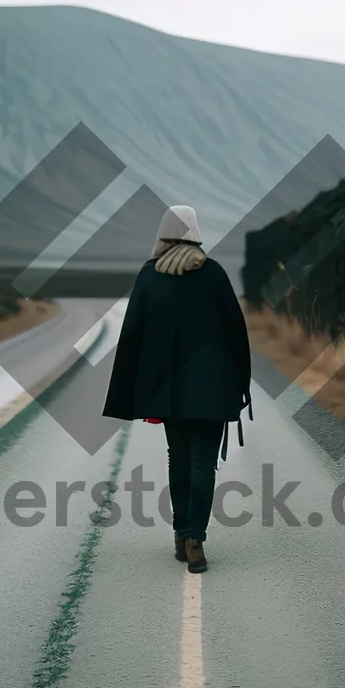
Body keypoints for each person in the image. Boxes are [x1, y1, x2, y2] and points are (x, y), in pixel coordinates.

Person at [102, 205, 251, 573]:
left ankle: (181, 531)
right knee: (203, 462)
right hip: (212, 388)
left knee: (179, 458)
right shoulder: (214, 274)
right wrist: (241, 383)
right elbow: (237, 331)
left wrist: (130, 386)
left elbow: (132, 333)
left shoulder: (150, 277)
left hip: (168, 390)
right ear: (196, 233)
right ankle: (194, 538)